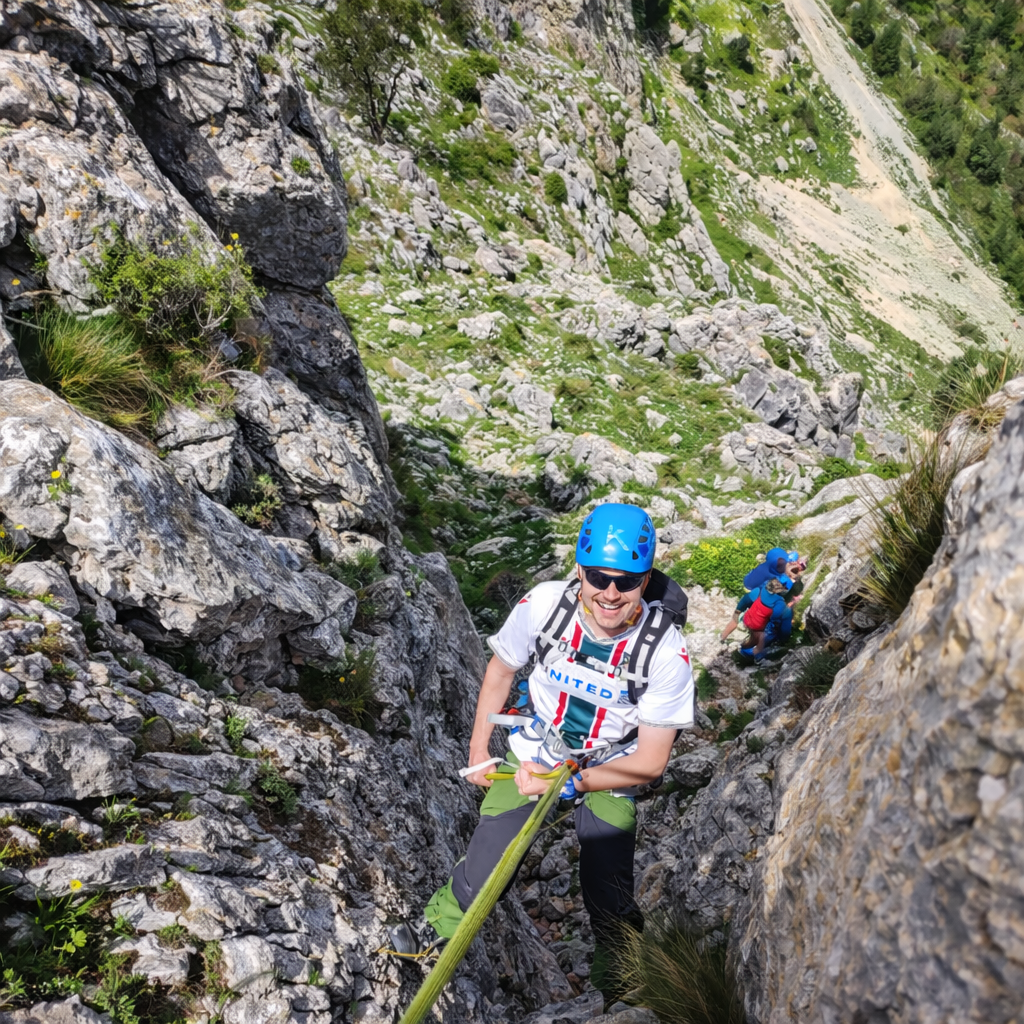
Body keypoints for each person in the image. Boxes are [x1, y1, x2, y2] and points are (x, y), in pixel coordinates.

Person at [422, 503, 694, 1002]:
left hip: (612, 764)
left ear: (647, 577)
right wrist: (479, 746)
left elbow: (652, 762)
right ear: (579, 569)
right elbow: (501, 671)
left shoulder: (664, 652)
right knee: (489, 865)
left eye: (628, 581)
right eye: (598, 576)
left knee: (607, 880)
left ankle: (623, 981)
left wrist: (573, 782)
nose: (611, 593)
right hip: (538, 749)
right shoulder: (544, 606)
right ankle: (432, 937)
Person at [735, 576, 793, 660]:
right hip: (760, 628)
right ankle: (755, 654)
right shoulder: (780, 604)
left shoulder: (760, 590)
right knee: (774, 628)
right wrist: (783, 639)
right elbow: (782, 629)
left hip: (747, 620)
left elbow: (745, 601)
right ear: (784, 590)